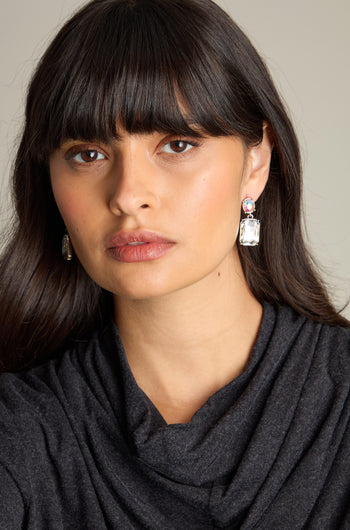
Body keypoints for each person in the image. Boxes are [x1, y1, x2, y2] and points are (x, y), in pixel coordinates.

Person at [0, 0, 349, 527]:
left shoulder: (340, 399)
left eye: (177, 144)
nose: (128, 195)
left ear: (256, 162)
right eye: (88, 154)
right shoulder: (20, 431)